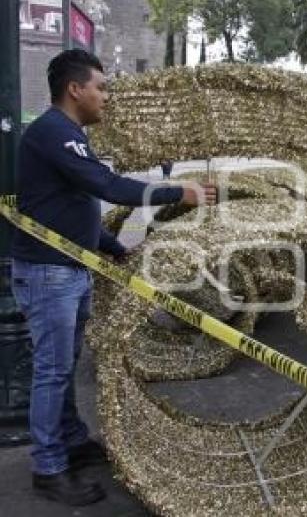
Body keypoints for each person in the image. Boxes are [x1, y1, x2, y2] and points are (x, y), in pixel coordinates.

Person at [10, 49, 216, 506]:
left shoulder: (69, 134)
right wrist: (178, 190)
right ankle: (49, 468)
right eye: (101, 88)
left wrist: (113, 246)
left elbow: (67, 208)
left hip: (69, 267)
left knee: (62, 365)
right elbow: (106, 188)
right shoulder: (52, 132)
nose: (106, 97)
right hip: (50, 273)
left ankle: (71, 439)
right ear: (75, 89)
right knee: (52, 370)